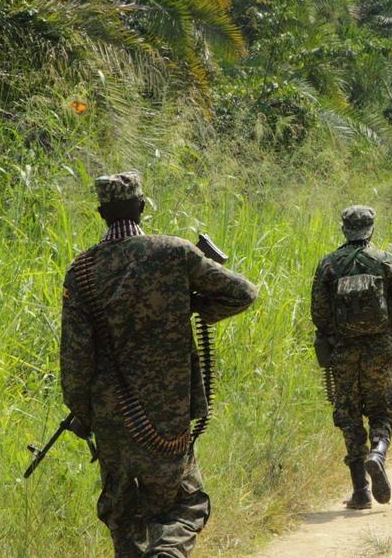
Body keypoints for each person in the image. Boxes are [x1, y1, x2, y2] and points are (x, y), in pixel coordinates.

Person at [60, 171, 258, 557]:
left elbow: (75, 357)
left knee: (122, 512)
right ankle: (168, 553)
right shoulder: (174, 252)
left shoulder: (81, 270)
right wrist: (194, 304)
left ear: (101, 213)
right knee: (184, 502)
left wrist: (83, 412)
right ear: (141, 206)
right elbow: (243, 293)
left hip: (112, 413)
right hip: (169, 411)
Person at [312, 206, 392, 510]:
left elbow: (319, 313)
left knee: (349, 414)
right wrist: (386, 321)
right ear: (370, 229)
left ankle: (360, 491)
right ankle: (378, 453)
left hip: (343, 352)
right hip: (381, 349)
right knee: (382, 409)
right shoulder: (387, 261)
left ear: (344, 229)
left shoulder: (329, 265)